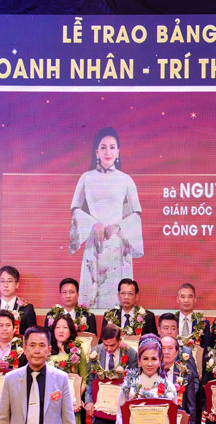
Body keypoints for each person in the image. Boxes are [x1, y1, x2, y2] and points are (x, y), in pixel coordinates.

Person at [70, 126, 143, 309]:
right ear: (97, 152)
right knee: (92, 292)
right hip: (94, 241)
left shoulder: (125, 179)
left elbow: (136, 212)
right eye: (103, 147)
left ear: (118, 152)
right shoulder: (86, 178)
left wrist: (118, 226)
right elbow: (75, 208)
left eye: (112, 147)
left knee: (117, 291)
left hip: (118, 242)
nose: (107, 152)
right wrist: (93, 224)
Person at [160, 312, 207, 424]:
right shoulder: (152, 354)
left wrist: (187, 393)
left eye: (173, 328)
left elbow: (193, 379)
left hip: (182, 405)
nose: (169, 331)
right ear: (159, 329)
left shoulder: (185, 351)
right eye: (166, 328)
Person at [0, 266, 36, 342]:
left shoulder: (27, 308)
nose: (6, 285)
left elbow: (32, 336)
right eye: (2, 281)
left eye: (10, 281)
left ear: (17, 284)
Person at [174, 283, 210, 349]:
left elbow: (206, 348)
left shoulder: (203, 323)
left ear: (195, 299)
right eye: (183, 297)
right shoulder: (172, 321)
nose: (186, 300)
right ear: (177, 299)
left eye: (190, 297)